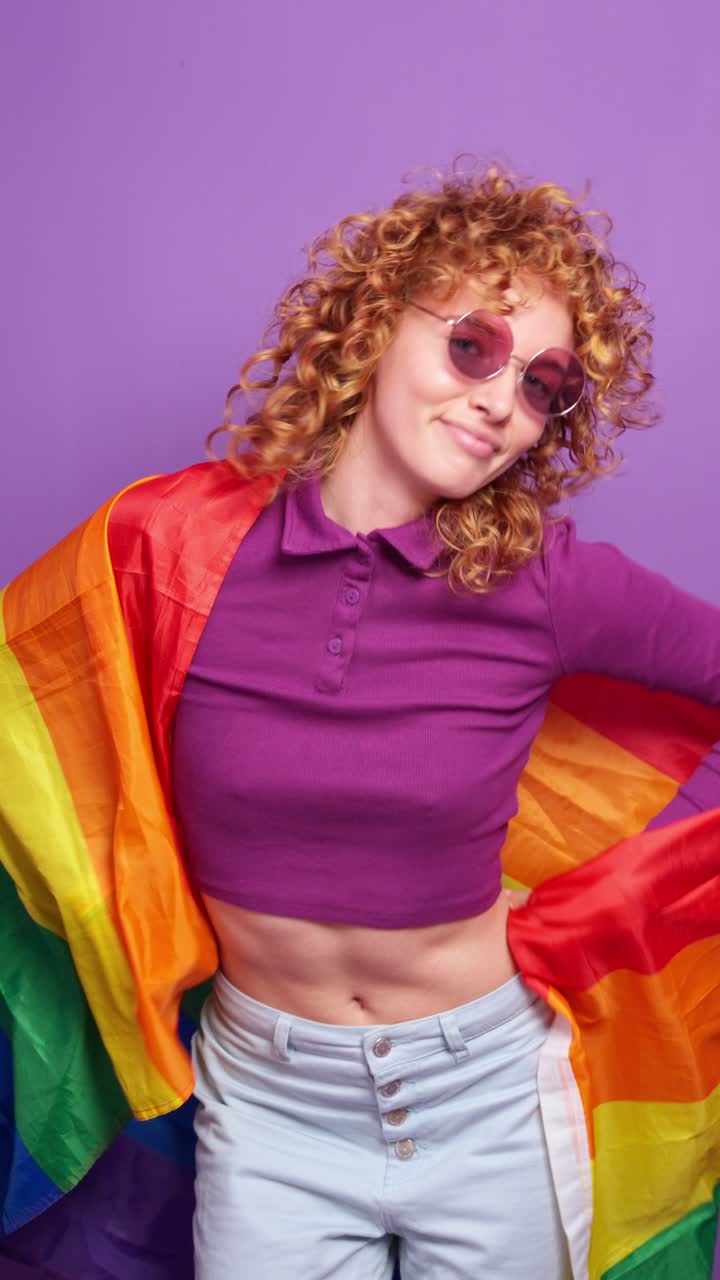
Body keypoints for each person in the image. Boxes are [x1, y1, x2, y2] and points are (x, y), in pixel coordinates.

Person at [1, 164, 719, 1280]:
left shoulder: (544, 581)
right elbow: (22, 705)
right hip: (268, 1109)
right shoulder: (175, 548)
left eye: (545, 386)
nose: (499, 401)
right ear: (376, 322)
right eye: (473, 346)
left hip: (485, 1096)